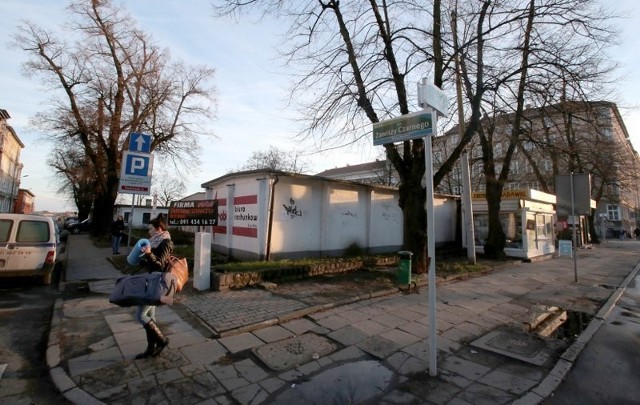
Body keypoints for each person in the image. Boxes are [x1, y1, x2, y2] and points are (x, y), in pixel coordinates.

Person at [134, 214, 173, 359]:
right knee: (151, 316)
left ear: (158, 229)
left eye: (150, 228)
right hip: (151, 280)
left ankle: (162, 340)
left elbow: (160, 264)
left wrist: (150, 255)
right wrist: (143, 259)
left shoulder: (166, 242)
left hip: (156, 283)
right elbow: (152, 263)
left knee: (140, 315)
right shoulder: (155, 241)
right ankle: (151, 348)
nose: (148, 231)